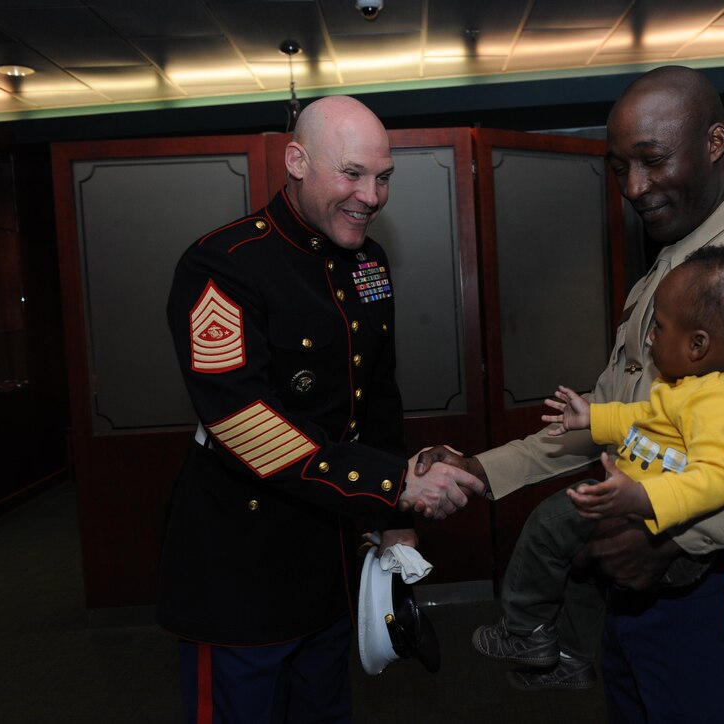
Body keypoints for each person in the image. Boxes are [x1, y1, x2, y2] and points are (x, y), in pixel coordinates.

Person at [417, 66, 724, 721]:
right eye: (618, 168)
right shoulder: (664, 275)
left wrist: (673, 534)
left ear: (715, 142)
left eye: (653, 160)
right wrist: (485, 470)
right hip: (635, 588)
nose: (634, 187)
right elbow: (616, 415)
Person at [157, 95, 486, 723]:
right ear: (298, 161)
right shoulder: (222, 266)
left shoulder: (369, 263)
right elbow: (245, 426)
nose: (371, 195)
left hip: (332, 550)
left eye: (383, 176)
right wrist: (394, 486)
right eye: (353, 173)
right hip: (241, 563)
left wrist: (395, 521)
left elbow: (376, 397)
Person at [470, 245, 724, 687]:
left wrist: (642, 497)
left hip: (653, 519)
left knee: (546, 524)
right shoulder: (691, 385)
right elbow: (643, 419)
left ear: (698, 344)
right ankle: (571, 658)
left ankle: (523, 630)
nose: (651, 338)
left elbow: (718, 479)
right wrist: (593, 418)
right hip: (637, 506)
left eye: (659, 327)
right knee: (583, 571)